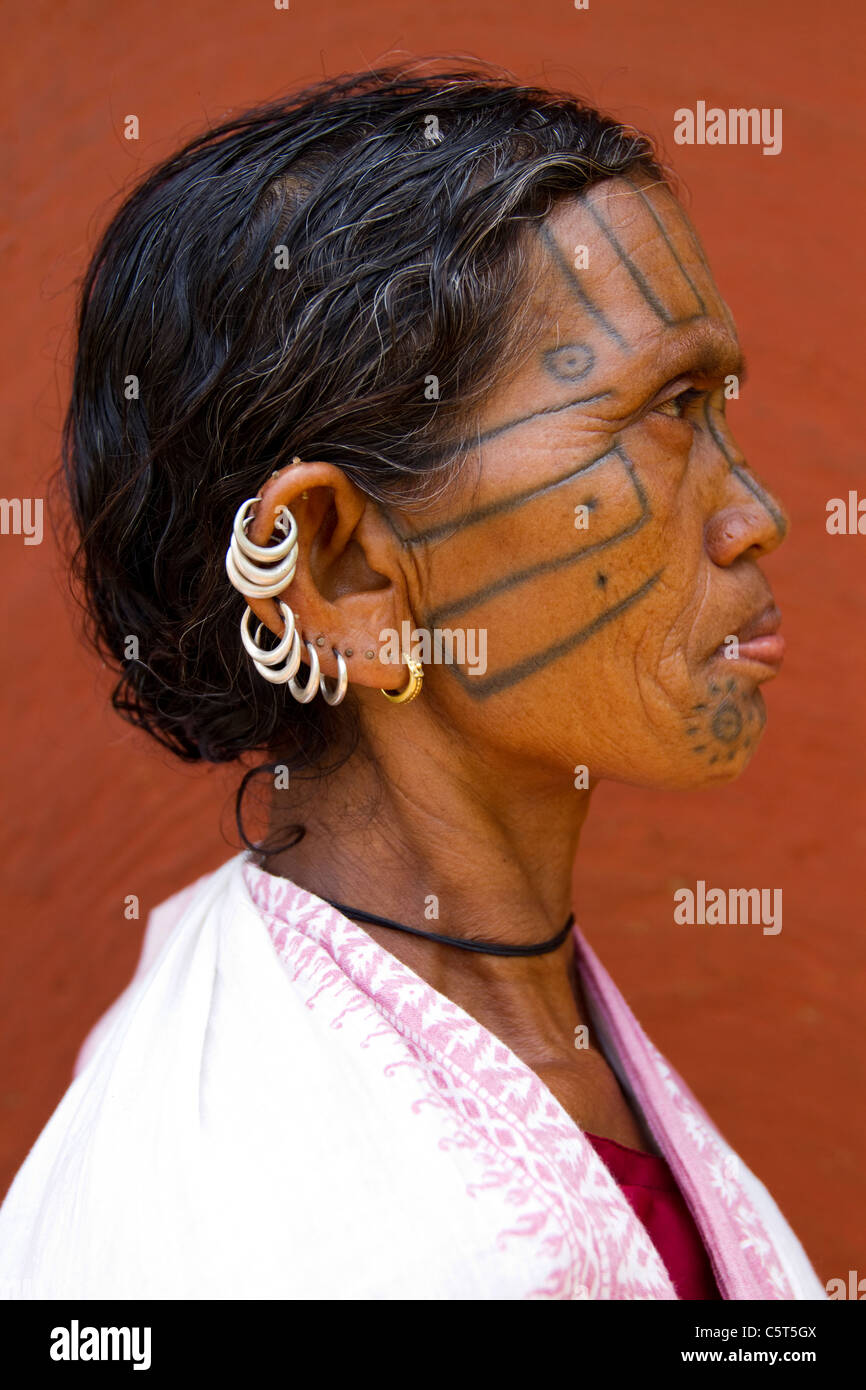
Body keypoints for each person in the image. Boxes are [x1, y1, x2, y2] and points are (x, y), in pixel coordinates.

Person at [0, 60, 824, 1300]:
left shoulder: (473, 1024)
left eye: (721, 407)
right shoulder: (295, 1230)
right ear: (343, 572)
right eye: (666, 409)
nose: (753, 516)